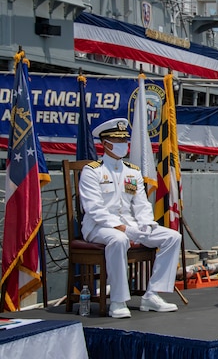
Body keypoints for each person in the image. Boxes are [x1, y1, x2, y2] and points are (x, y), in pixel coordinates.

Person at [79, 118, 182, 318]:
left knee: (172, 237)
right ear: (105, 143)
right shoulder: (92, 171)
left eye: (124, 141)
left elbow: (141, 203)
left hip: (131, 225)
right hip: (98, 228)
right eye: (117, 141)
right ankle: (117, 301)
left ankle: (151, 294)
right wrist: (123, 229)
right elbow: (94, 209)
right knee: (119, 239)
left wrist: (146, 224)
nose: (122, 146)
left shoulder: (132, 172)